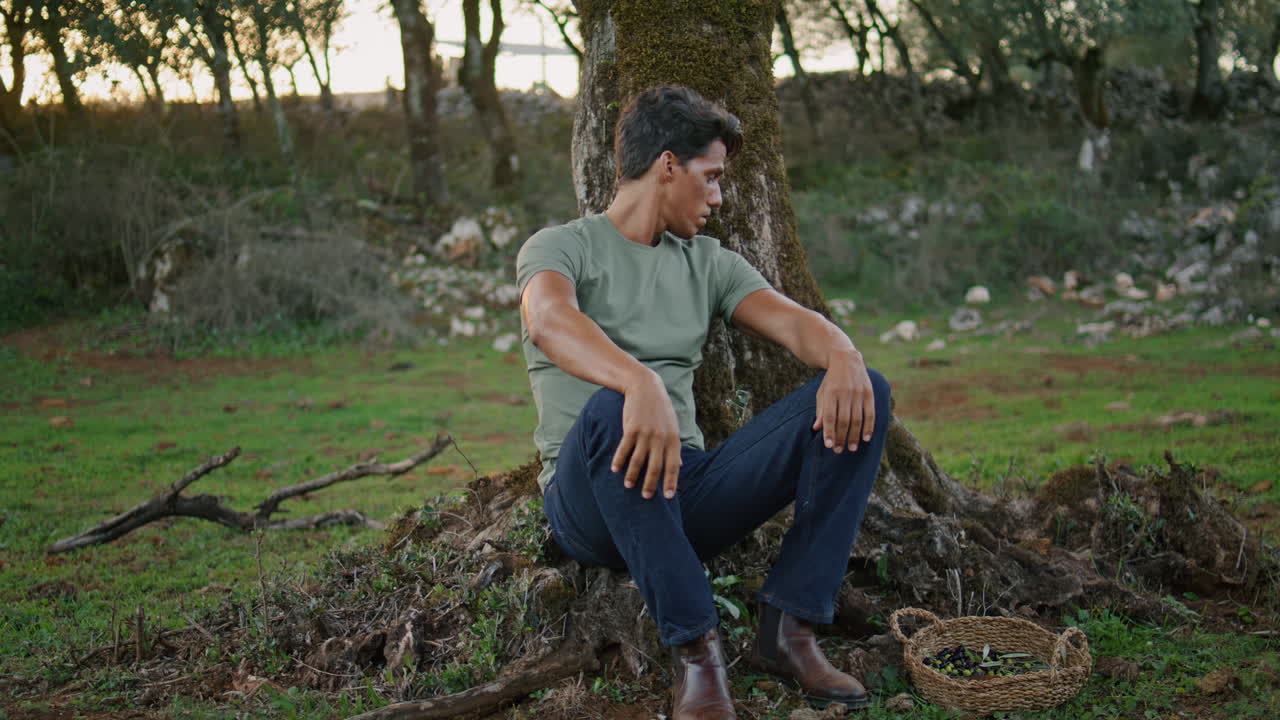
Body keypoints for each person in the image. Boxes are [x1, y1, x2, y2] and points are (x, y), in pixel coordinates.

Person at [517, 86, 891, 719]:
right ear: (668, 165)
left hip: (684, 488)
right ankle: (698, 655)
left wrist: (844, 354)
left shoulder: (708, 263)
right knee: (609, 408)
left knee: (865, 391)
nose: (719, 197)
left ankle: (790, 628)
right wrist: (638, 383)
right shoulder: (560, 247)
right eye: (711, 177)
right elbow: (549, 320)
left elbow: (795, 324)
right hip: (588, 498)